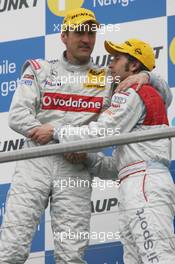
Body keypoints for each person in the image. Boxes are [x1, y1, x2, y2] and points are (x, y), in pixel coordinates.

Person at [0, 6, 171, 263]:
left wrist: (146, 76)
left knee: (72, 255)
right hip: (36, 161)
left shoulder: (106, 78)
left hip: (75, 165)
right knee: (11, 248)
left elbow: (161, 98)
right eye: (79, 33)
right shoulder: (41, 69)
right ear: (64, 37)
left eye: (91, 34)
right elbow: (17, 116)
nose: (86, 40)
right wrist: (52, 138)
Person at [49, 39, 175, 264]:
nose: (110, 65)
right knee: (144, 258)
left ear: (134, 66)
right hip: (138, 181)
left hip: (142, 185)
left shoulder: (132, 91)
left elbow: (102, 133)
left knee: (158, 257)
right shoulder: (146, 93)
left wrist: (57, 132)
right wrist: (87, 158)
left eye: (117, 59)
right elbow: (119, 167)